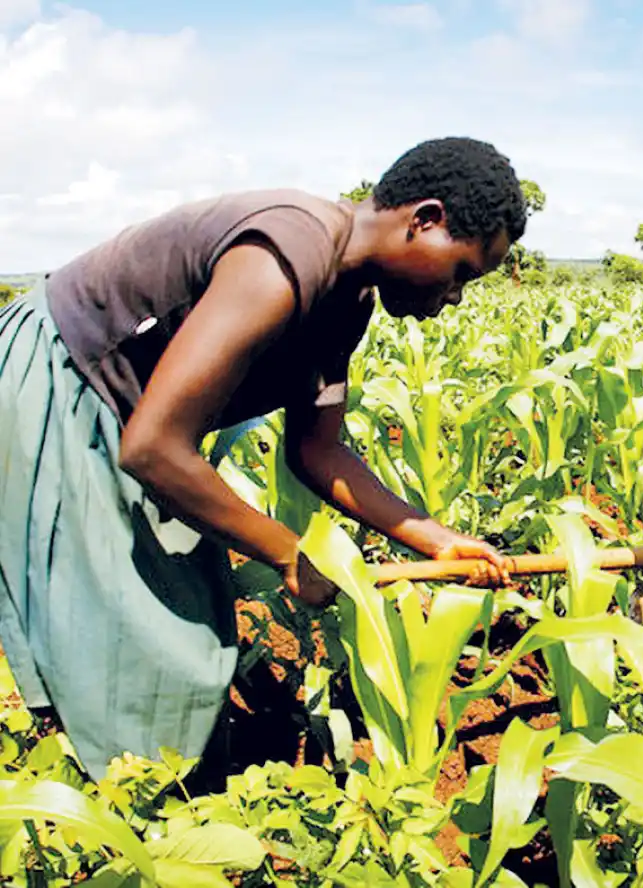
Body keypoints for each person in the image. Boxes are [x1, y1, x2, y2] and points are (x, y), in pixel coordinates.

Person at [0, 136, 525, 780]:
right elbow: (153, 446)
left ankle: (150, 790)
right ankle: (132, 809)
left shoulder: (347, 302)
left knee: (185, 621)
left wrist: (439, 540)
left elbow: (317, 449)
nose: (455, 298)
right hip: (68, 380)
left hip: (134, 419)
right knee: (149, 636)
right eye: (464, 271)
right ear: (425, 219)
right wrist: (286, 553)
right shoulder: (288, 251)